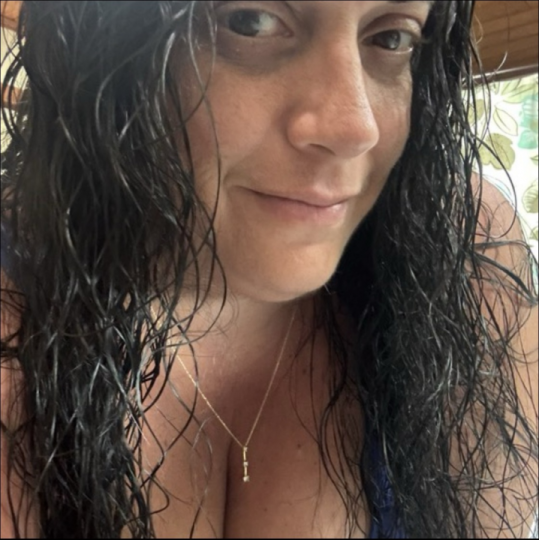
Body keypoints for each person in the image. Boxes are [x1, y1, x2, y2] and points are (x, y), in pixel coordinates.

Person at [0, 1, 538, 538]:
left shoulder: (466, 255)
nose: (356, 127)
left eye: (390, 38)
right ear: (96, 42)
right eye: (250, 22)